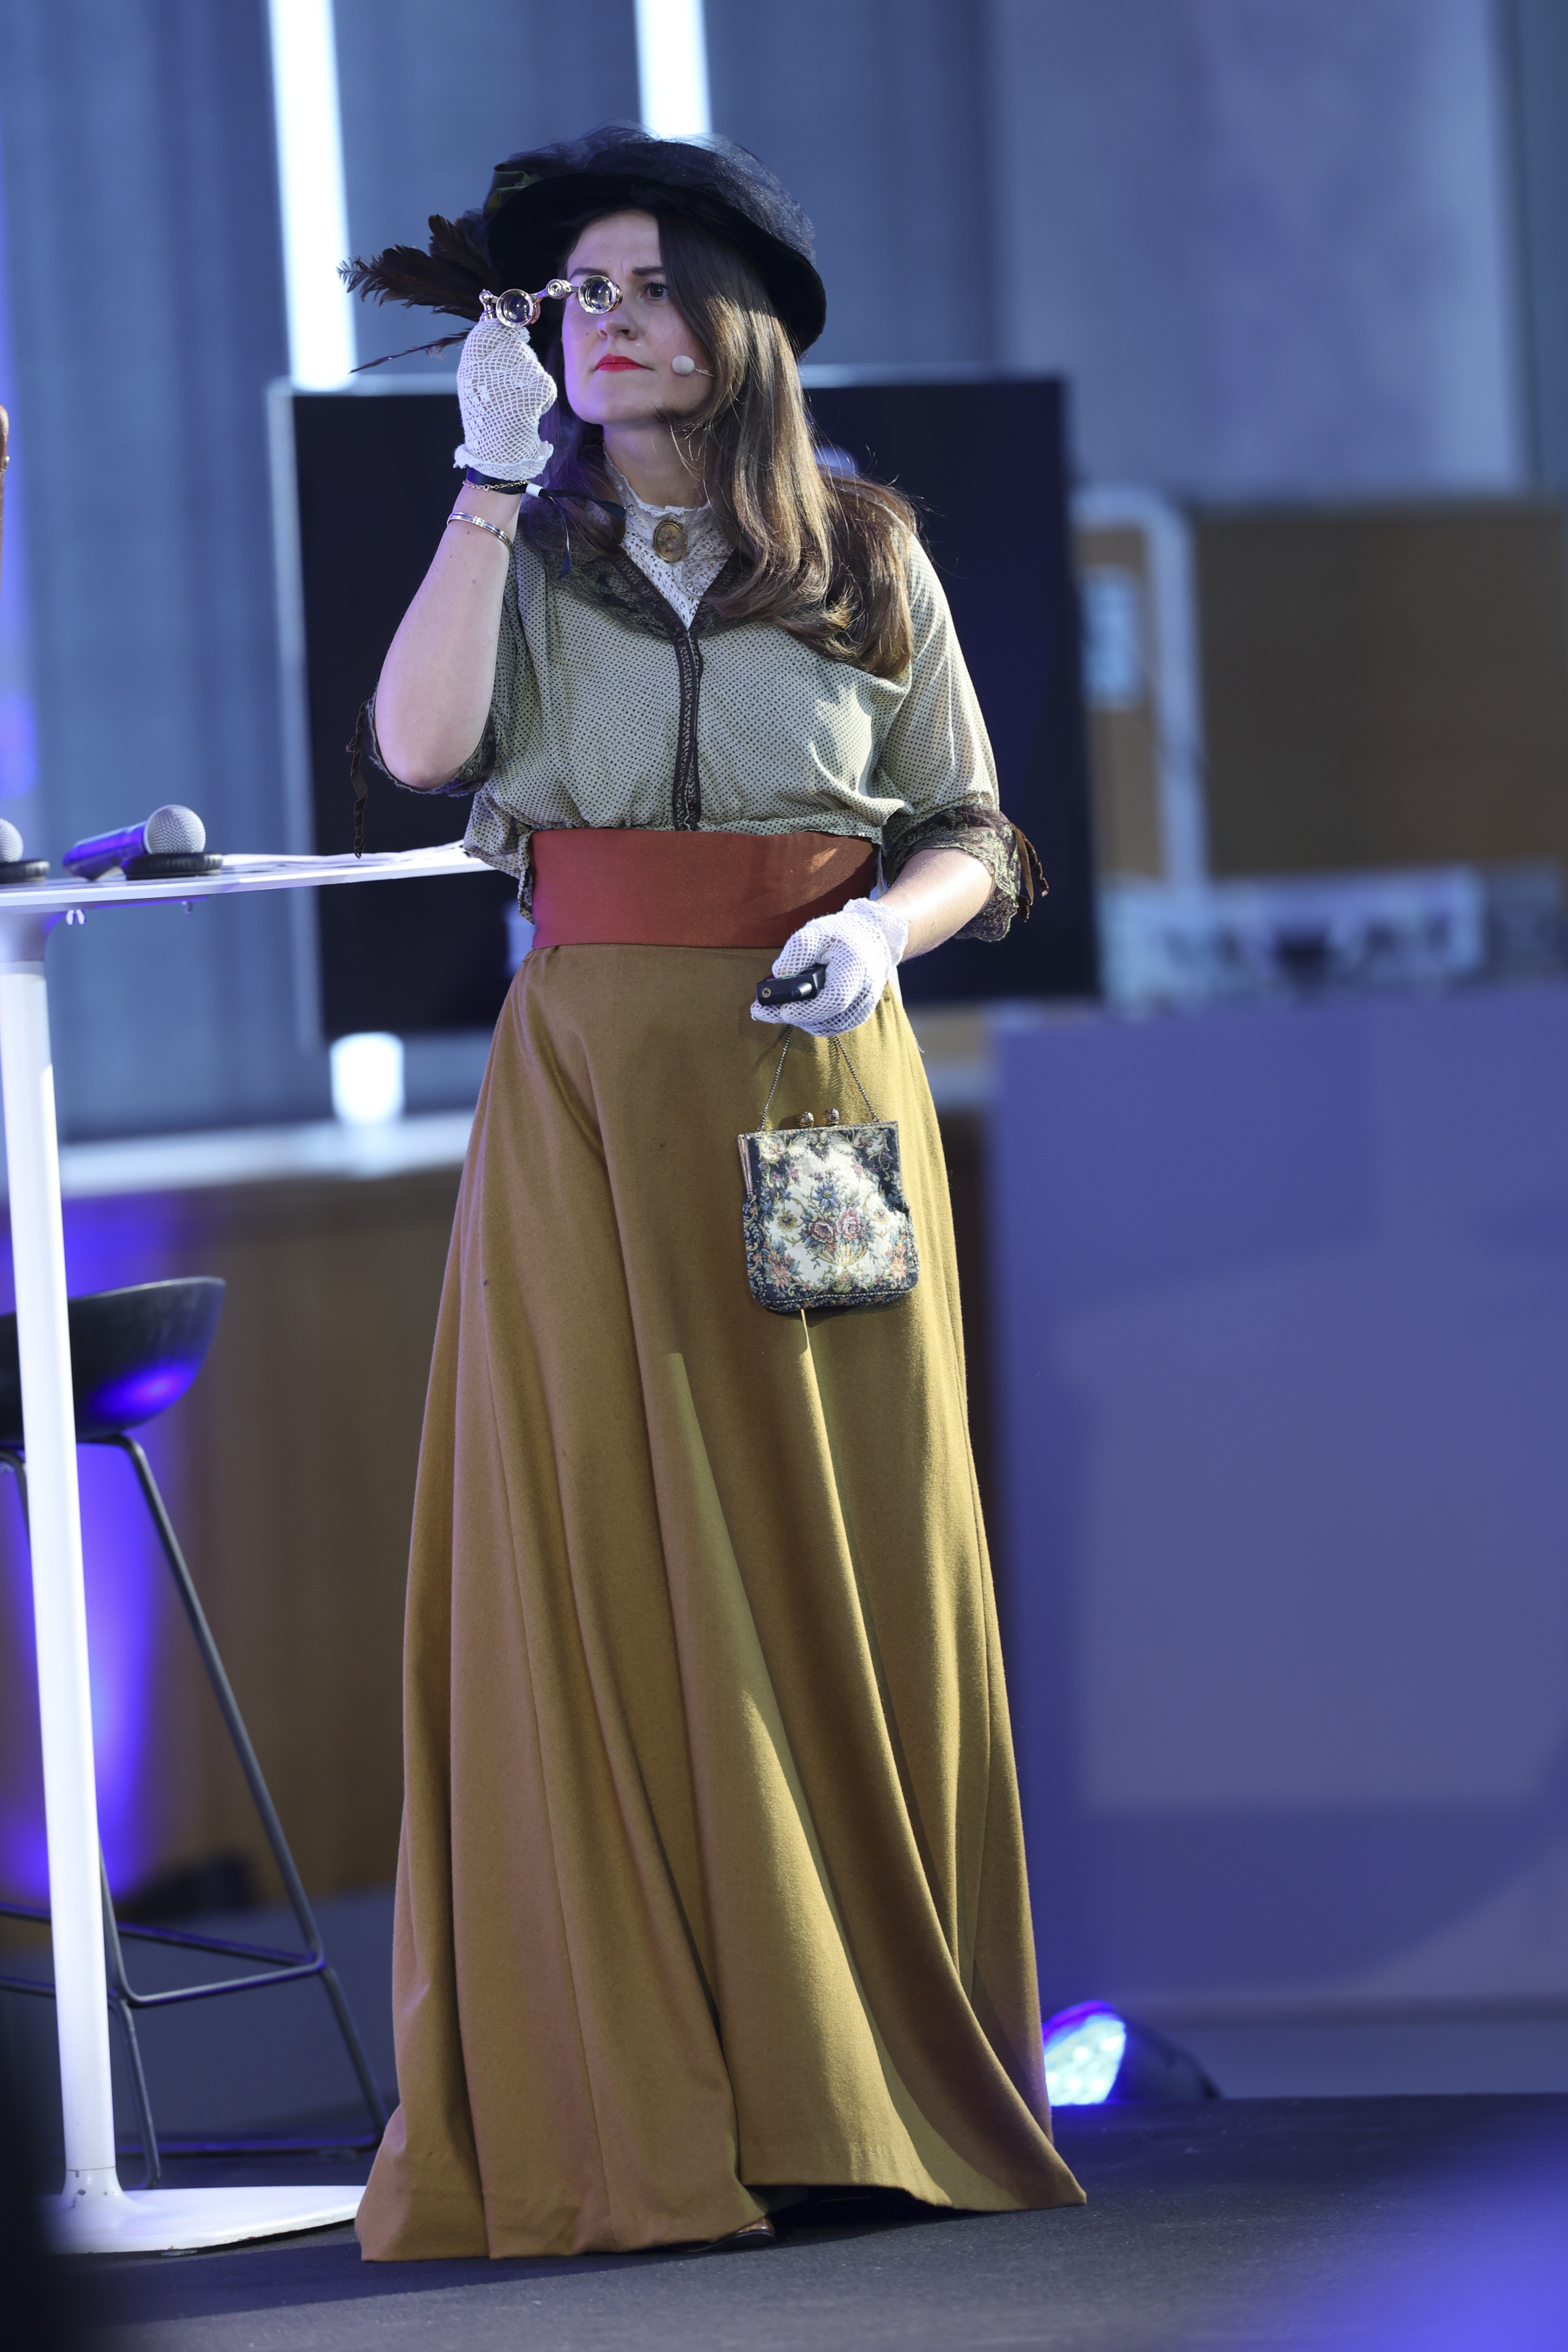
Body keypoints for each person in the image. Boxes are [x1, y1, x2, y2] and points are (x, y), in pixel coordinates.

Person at [345, 125, 1085, 2260]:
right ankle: (642, 2090)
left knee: (830, 1546)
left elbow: (973, 826)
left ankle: (858, 2082)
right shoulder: (525, 543)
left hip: (813, 1077)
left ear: (737, 328)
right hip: (586, 1092)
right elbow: (418, 748)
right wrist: (484, 479)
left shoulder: (863, 551)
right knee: (591, 1542)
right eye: (576, 292)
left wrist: (883, 931)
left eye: (647, 287)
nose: (605, 321)